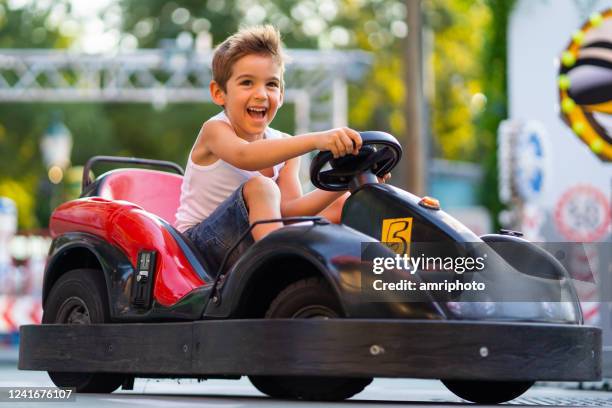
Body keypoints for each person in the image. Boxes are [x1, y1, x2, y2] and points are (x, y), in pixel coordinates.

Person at [175, 25, 365, 273]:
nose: (261, 94)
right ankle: (279, 272)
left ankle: (376, 274)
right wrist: (316, 140)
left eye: (271, 84)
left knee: (346, 201)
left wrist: (349, 180)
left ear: (282, 94)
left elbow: (289, 210)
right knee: (261, 187)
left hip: (249, 240)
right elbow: (245, 157)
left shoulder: (284, 147)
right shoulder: (215, 131)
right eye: (247, 83)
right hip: (198, 248)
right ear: (219, 93)